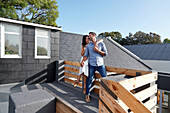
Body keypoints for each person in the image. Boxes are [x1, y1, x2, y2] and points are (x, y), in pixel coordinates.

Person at [80, 32, 107, 102]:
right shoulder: (89, 46)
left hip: (100, 65)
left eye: (90, 36)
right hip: (91, 65)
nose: (89, 37)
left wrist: (98, 50)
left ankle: (107, 96)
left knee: (105, 79)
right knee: (89, 80)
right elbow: (86, 55)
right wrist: (83, 61)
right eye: (88, 36)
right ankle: (87, 95)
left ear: (94, 35)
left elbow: (105, 54)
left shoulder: (101, 44)